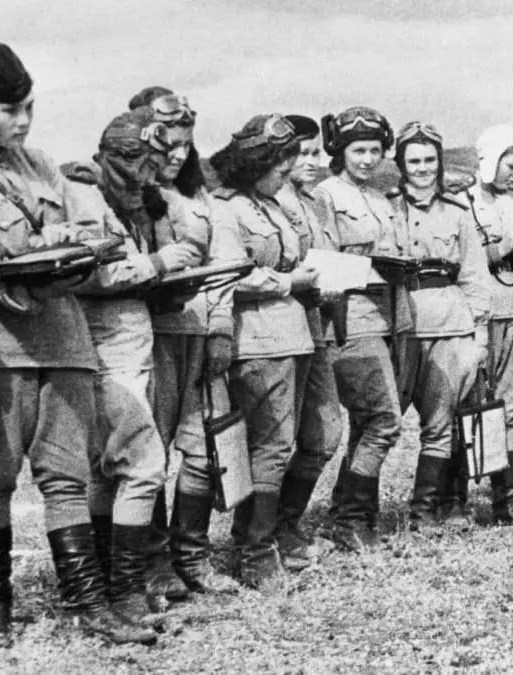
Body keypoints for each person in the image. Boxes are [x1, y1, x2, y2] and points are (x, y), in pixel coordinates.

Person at [0, 41, 155, 645]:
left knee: (65, 474)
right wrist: (44, 246)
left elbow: (84, 234)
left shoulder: (43, 166)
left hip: (64, 334)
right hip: (5, 342)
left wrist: (74, 243)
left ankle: (89, 605)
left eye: (28, 108)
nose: (22, 121)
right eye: (8, 110)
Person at [64, 107, 202, 630]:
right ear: (122, 158)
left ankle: (110, 583)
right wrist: (159, 264)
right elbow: (82, 272)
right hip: (104, 344)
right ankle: (125, 589)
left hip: (129, 338)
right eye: (145, 163)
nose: (152, 174)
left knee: (112, 469)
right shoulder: (82, 194)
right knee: (143, 466)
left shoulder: (122, 199)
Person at [126, 87, 240, 597]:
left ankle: (191, 555)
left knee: (200, 448)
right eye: (167, 145)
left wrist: (219, 329)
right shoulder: (126, 196)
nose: (177, 155)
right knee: (148, 453)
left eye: (185, 145)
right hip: (151, 335)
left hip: (198, 329)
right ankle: (151, 564)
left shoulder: (200, 197)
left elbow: (225, 268)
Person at [208, 113, 317, 590]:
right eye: (279, 166)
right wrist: (287, 282)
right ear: (255, 165)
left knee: (278, 445)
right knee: (267, 447)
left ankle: (260, 539)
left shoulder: (274, 205)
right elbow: (230, 272)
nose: (287, 173)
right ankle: (253, 552)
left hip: (293, 335)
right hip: (256, 339)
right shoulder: (226, 208)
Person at [387, 121, 492, 526]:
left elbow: (474, 276)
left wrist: (478, 332)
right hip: (402, 324)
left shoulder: (458, 214)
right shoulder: (386, 207)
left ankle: (434, 507)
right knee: (378, 422)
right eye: (413, 160)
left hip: (450, 325)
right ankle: (352, 514)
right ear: (400, 163)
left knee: (444, 420)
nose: (423, 168)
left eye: (430, 159)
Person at [311, 106, 404, 549]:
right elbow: (323, 265)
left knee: (369, 421)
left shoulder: (381, 199)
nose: (368, 159)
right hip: (346, 322)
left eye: (375, 150)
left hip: (381, 318)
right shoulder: (326, 196)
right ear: (339, 151)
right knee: (383, 421)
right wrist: (376, 269)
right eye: (358, 150)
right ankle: (350, 519)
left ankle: (348, 513)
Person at [461, 124, 513, 523]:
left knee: (512, 405)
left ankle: (505, 496)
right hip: (477, 316)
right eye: (511, 166)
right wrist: (501, 250)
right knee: (470, 404)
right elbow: (461, 260)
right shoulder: (461, 203)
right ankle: (454, 495)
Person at [273, 114, 344, 564]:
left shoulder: (316, 202)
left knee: (325, 432)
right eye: (305, 152)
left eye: (319, 152)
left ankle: (285, 523)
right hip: (278, 332)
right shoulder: (272, 203)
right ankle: (262, 534)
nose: (316, 161)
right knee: (274, 441)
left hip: (314, 329)